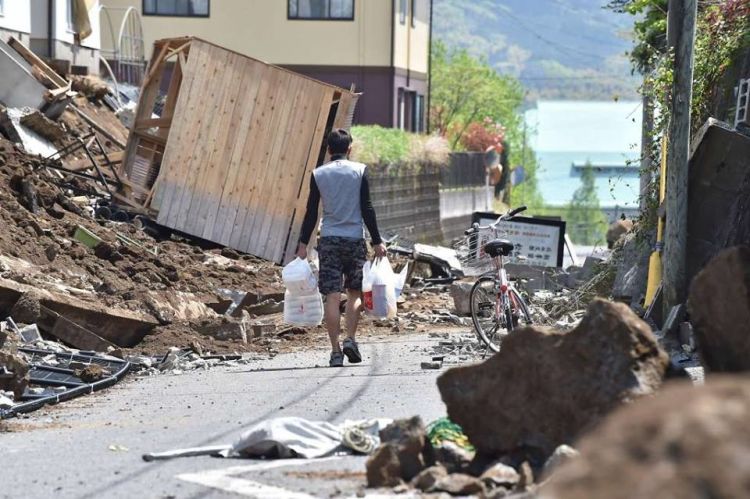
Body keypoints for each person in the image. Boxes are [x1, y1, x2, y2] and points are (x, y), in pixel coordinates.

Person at [296, 128, 386, 367]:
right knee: (355, 293)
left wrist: (303, 244)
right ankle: (350, 339)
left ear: (328, 150)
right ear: (349, 149)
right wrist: (377, 240)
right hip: (355, 239)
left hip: (329, 240)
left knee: (332, 297)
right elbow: (367, 208)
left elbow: (311, 212)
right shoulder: (359, 171)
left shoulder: (318, 174)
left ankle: (335, 352)